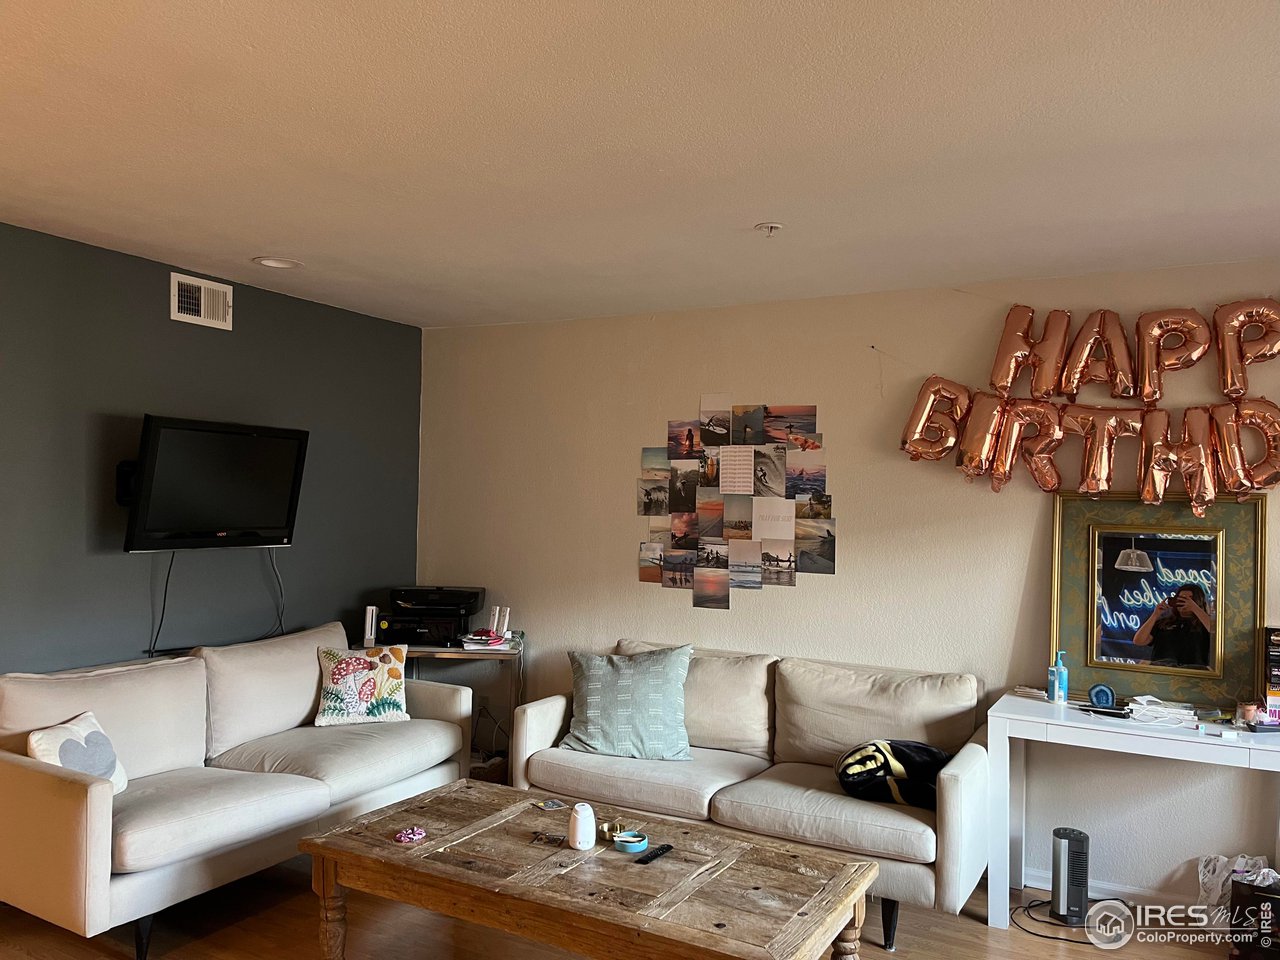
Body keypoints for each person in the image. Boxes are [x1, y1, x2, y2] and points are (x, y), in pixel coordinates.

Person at [1133, 584, 1213, 668]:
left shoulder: (1204, 623)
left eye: (1189, 598)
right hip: (1162, 670)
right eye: (1181, 598)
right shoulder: (1164, 623)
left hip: (1192, 672)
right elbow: (1138, 641)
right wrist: (1155, 614)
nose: (1184, 601)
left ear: (1197, 601)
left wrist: (1194, 608)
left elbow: (1215, 633)